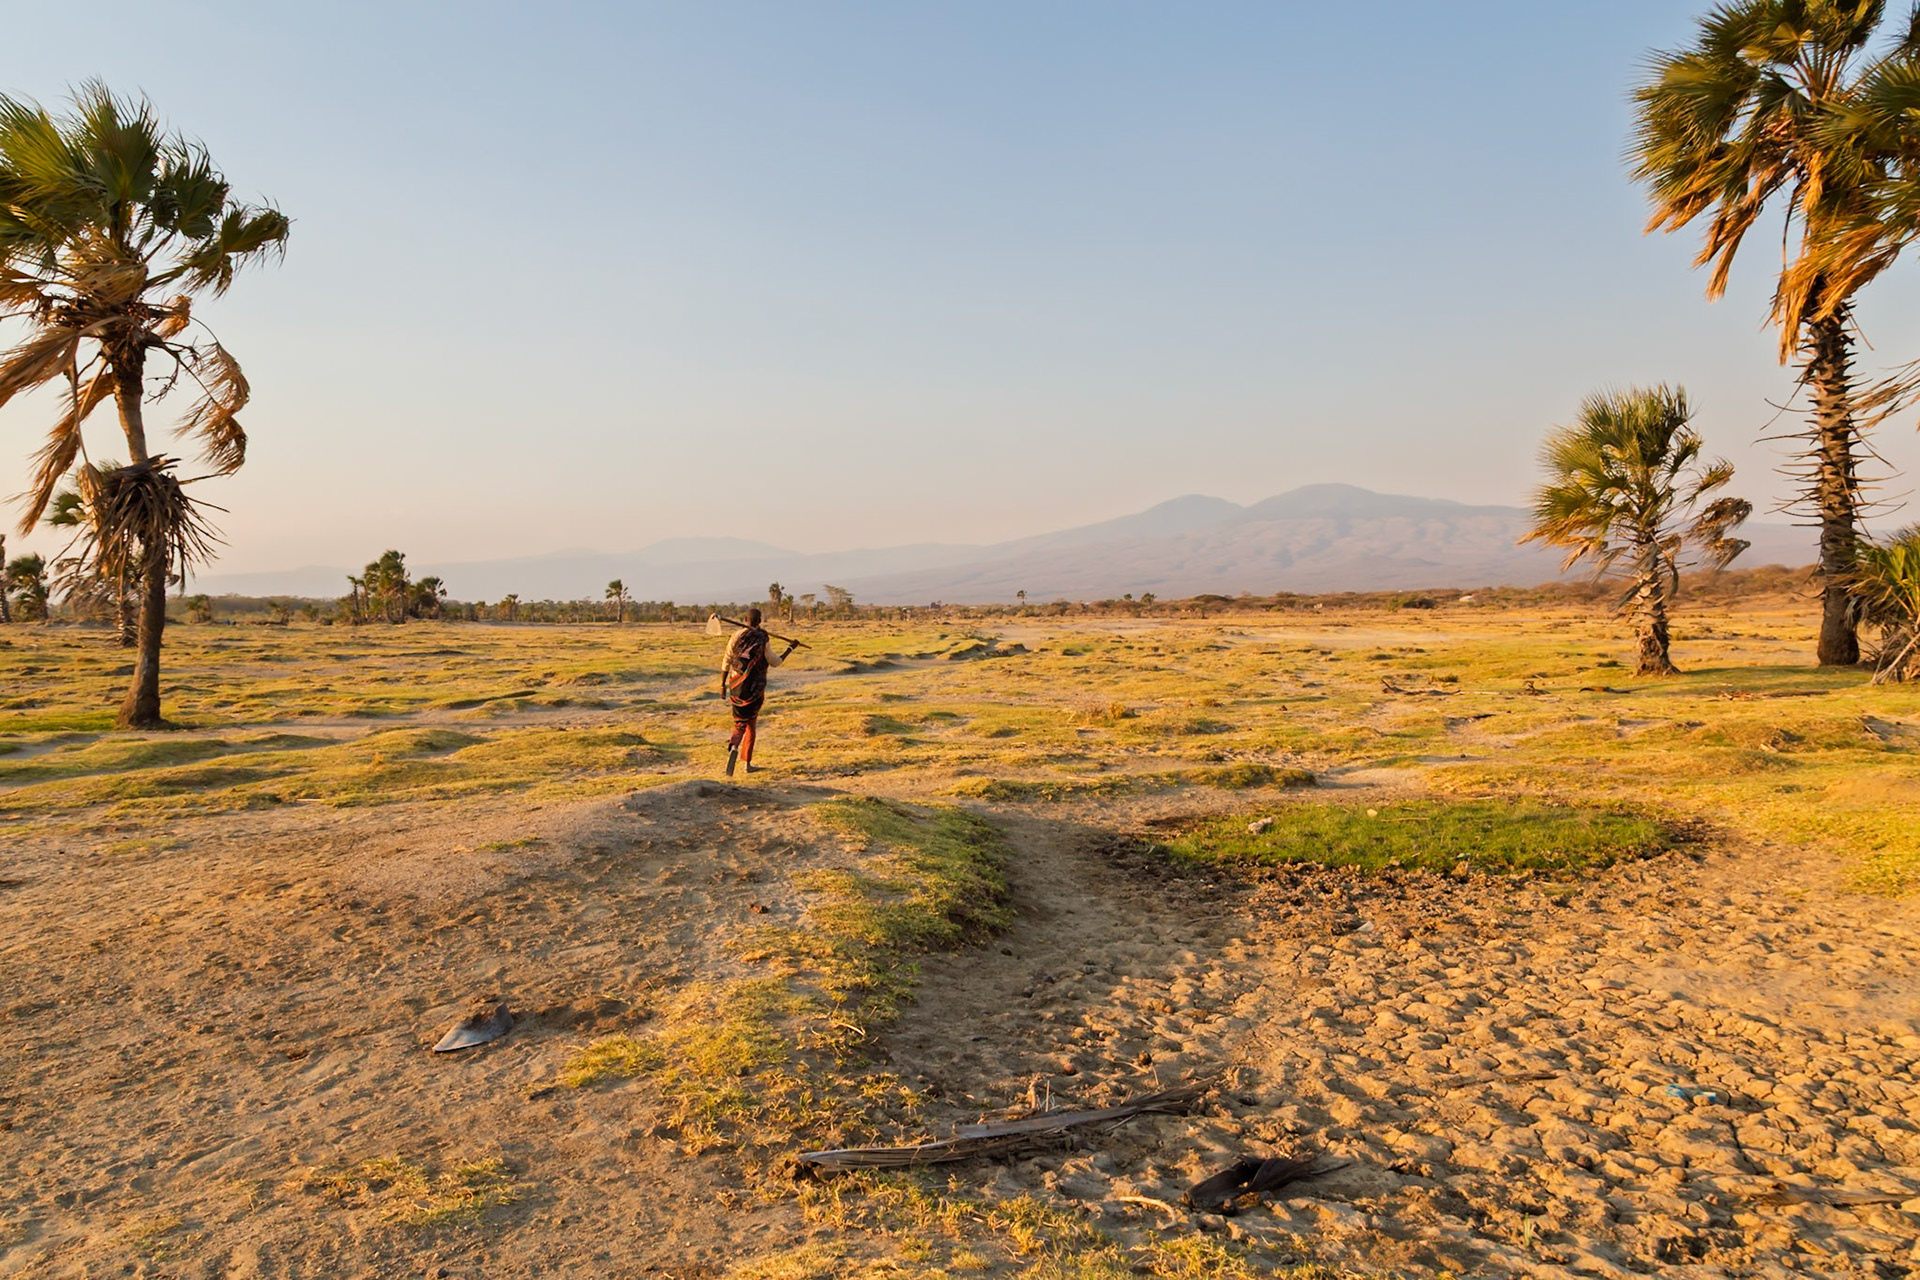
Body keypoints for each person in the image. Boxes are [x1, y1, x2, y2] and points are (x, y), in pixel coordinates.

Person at [721, 607, 798, 776]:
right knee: (751, 725)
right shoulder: (762, 638)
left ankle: (734, 745)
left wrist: (723, 685)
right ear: (760, 621)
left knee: (739, 722)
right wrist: (791, 648)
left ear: (744, 619)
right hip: (754, 689)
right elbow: (775, 662)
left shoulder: (736, 636)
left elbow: (727, 660)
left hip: (735, 686)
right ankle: (747, 763)